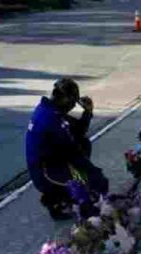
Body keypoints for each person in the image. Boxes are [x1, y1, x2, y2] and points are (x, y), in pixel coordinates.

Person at [26, 78, 108, 220]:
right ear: (65, 99)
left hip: (52, 163)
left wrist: (87, 112)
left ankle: (61, 197)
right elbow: (73, 154)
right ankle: (60, 200)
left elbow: (78, 132)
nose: (72, 106)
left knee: (83, 143)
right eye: (72, 102)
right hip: (46, 173)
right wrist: (96, 176)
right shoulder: (52, 119)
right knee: (91, 184)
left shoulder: (49, 109)